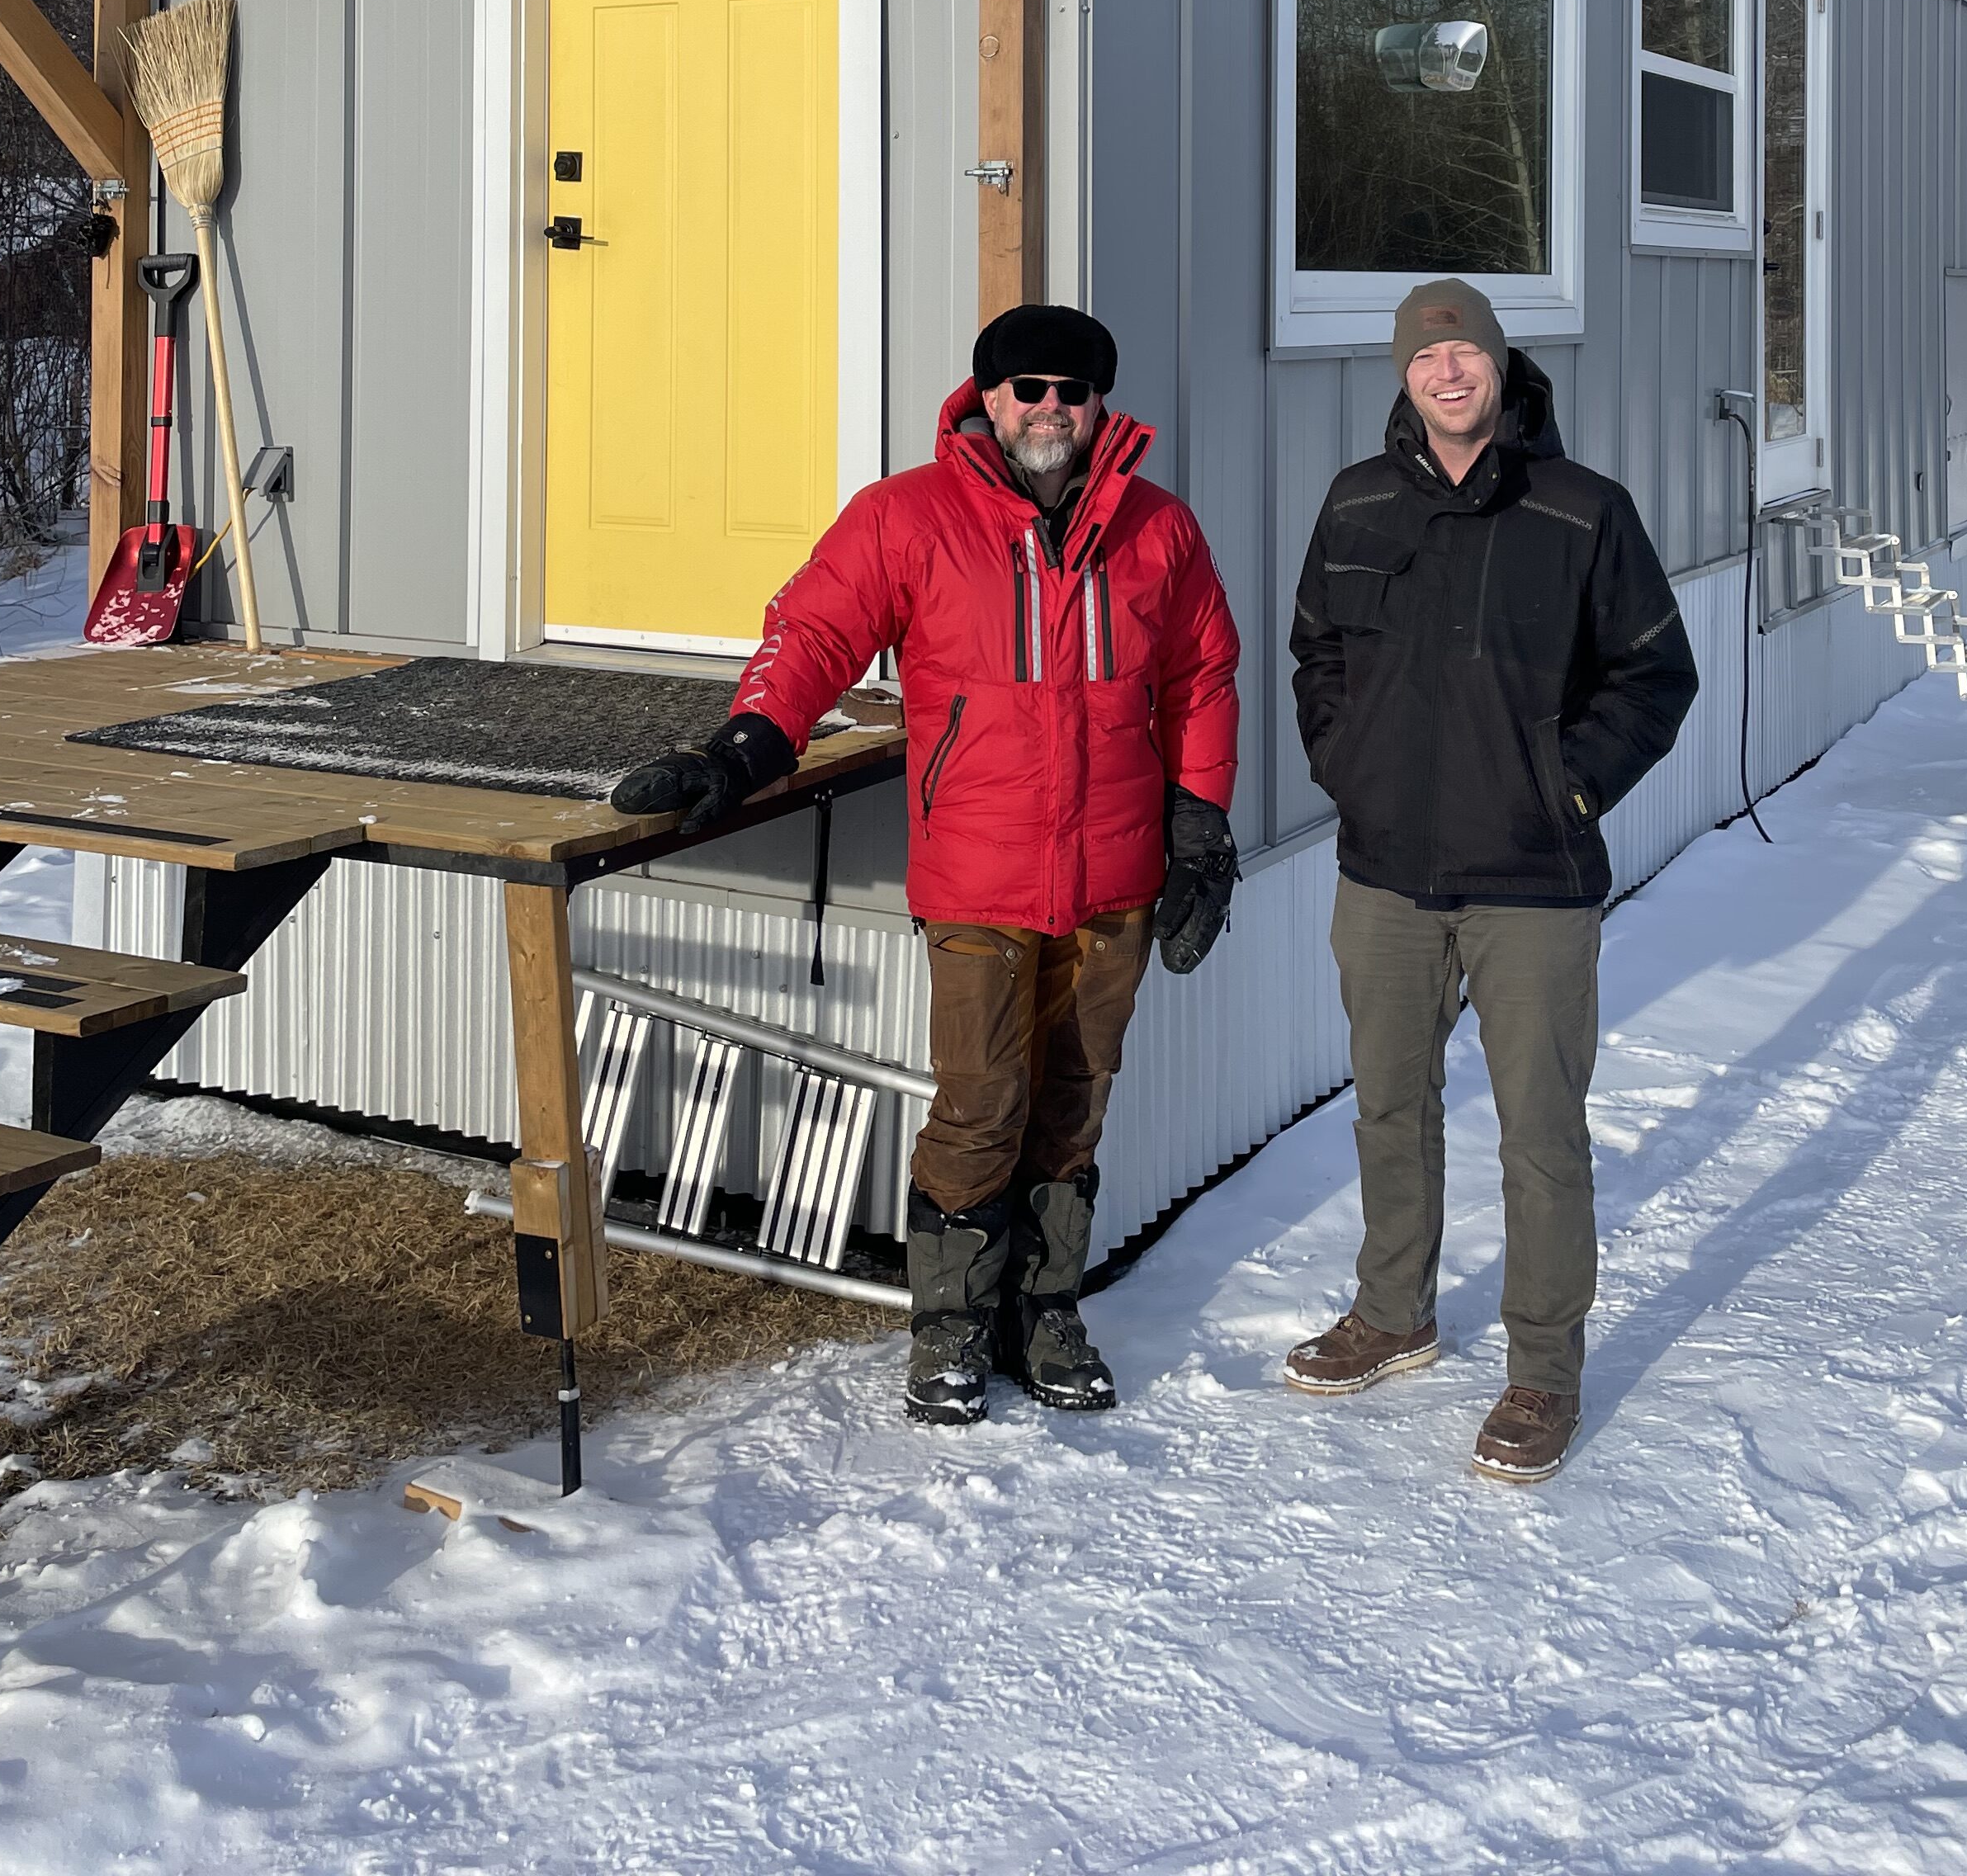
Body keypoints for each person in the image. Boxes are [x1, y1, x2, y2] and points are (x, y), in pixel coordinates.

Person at [614, 305, 1242, 1427]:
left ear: (1100, 407)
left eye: (1072, 392)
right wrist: (748, 745)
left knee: (1075, 1106)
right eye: (1027, 388)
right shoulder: (908, 517)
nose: (1049, 409)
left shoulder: (1159, 530)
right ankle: (951, 1330)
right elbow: (813, 635)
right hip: (979, 880)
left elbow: (1201, 674)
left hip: (1114, 884)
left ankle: (1045, 1315)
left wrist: (1199, 824)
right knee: (980, 1105)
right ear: (988, 395)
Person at [1284, 277, 1697, 1484]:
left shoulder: (1583, 513)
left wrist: (1566, 787)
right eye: (1426, 356)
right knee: (1389, 1108)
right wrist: (1346, 766)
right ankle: (1395, 1311)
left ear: (1503, 368)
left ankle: (1543, 1372)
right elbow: (1317, 650)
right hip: (1388, 873)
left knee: (1540, 1133)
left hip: (1532, 878)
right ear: (1404, 376)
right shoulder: (1357, 503)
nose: (1447, 372)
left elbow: (1653, 677)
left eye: (1465, 352)